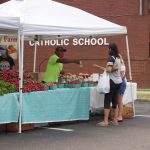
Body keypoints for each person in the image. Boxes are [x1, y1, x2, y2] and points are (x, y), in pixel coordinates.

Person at [93, 43, 122, 127]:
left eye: (108, 48)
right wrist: (116, 67)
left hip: (112, 81)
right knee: (114, 100)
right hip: (118, 81)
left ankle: (105, 121)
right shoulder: (118, 57)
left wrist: (114, 68)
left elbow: (109, 70)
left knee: (107, 100)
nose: (107, 50)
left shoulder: (111, 58)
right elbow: (118, 67)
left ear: (110, 49)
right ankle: (115, 120)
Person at [117, 54, 127, 122]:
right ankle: (118, 115)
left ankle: (120, 116)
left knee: (119, 101)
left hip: (121, 84)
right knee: (118, 101)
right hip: (120, 83)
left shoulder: (122, 66)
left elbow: (121, 77)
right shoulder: (120, 65)